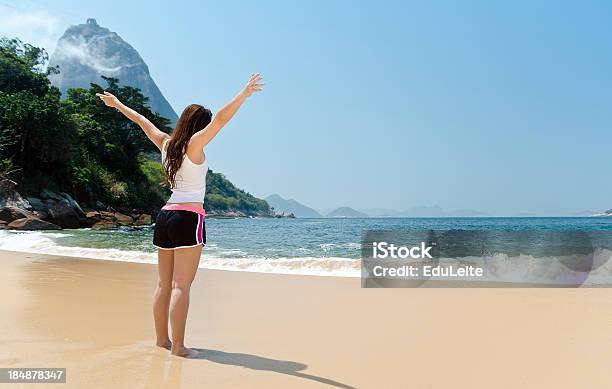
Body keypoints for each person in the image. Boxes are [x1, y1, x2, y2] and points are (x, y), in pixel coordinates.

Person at [96, 73, 264, 357]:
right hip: (188, 217)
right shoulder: (194, 146)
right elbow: (221, 119)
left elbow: (140, 120)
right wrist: (243, 94)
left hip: (165, 216)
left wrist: (117, 104)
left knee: (164, 284)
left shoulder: (165, 145)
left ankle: (161, 341)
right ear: (199, 127)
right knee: (181, 286)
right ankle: (180, 347)